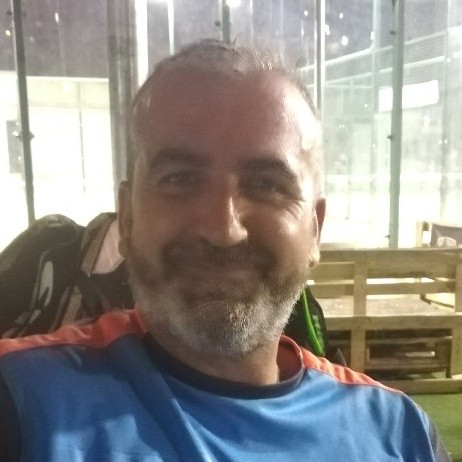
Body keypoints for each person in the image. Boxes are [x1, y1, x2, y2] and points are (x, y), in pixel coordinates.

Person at [0, 40, 450, 462]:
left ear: (315, 229)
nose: (224, 230)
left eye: (267, 185)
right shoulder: (22, 400)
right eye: (180, 179)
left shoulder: (398, 434)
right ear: (128, 217)